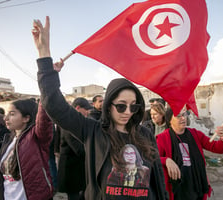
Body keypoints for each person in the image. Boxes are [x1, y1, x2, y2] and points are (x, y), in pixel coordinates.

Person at [32, 16, 168, 200]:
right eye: (121, 106)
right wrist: (44, 55)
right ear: (109, 105)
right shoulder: (92, 131)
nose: (128, 112)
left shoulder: (145, 134)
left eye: (133, 106)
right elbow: (55, 106)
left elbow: (157, 180)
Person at [156, 107, 223, 200]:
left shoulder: (195, 134)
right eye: (179, 116)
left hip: (196, 184)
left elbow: (216, 148)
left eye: (185, 114)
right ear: (169, 120)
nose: (183, 118)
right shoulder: (162, 138)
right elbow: (153, 159)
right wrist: (166, 160)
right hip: (177, 189)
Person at [0, 99, 53, 200]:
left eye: (12, 114)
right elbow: (5, 174)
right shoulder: (9, 140)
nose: (6, 118)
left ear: (26, 118)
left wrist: (45, 95)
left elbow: (43, 121)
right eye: (6, 114)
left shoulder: (35, 138)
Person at [58, 97, 92, 200]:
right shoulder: (69, 123)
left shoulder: (76, 122)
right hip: (70, 170)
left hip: (77, 168)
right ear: (77, 108)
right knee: (74, 196)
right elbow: (78, 149)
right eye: (86, 110)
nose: (87, 113)